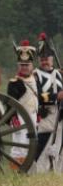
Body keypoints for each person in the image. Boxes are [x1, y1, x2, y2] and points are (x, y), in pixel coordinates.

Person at [7, 40, 38, 168]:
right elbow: (10, 103)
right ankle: (17, 171)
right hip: (20, 118)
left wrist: (38, 114)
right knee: (19, 145)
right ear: (18, 66)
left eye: (27, 64)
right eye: (22, 64)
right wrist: (13, 118)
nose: (24, 67)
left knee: (32, 145)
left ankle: (29, 169)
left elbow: (37, 99)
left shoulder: (35, 79)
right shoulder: (14, 82)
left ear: (31, 65)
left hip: (33, 116)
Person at [34, 33, 63, 171]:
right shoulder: (35, 75)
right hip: (45, 116)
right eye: (42, 59)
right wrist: (56, 96)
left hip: (59, 116)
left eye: (47, 59)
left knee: (57, 146)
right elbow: (38, 96)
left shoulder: (58, 74)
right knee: (42, 146)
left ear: (52, 59)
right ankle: (37, 172)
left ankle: (55, 172)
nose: (45, 62)